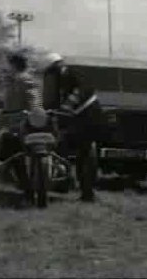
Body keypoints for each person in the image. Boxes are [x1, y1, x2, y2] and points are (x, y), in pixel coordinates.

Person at [42, 52, 105, 202]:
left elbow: (82, 92)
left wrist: (66, 105)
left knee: (85, 156)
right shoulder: (60, 79)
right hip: (75, 119)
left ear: (57, 66)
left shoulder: (75, 74)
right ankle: (65, 183)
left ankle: (87, 193)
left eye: (51, 71)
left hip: (90, 118)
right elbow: (54, 99)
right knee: (64, 150)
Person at [0, 49, 43, 200]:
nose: (7, 67)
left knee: (14, 150)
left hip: (24, 123)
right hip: (14, 122)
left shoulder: (25, 79)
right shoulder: (14, 80)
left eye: (9, 64)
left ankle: (27, 186)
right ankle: (23, 183)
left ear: (15, 65)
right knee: (12, 151)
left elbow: (33, 99)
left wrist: (32, 112)